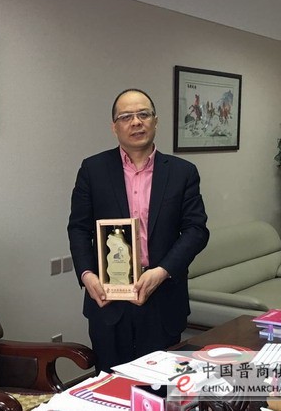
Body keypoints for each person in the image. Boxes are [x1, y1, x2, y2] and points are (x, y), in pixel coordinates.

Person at [67, 88, 209, 373]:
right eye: (126, 116)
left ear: (155, 121)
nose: (136, 122)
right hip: (108, 299)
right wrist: (87, 275)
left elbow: (196, 230)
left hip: (163, 296)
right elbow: (79, 228)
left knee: (159, 384)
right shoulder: (93, 169)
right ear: (114, 126)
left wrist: (162, 271)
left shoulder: (182, 172)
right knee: (110, 381)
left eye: (143, 114)